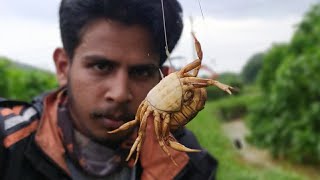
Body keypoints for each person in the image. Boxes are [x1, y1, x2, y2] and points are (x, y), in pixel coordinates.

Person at [0, 0, 218, 179]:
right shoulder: (10, 145)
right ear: (63, 67)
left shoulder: (187, 163)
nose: (120, 93)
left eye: (140, 72)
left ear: (162, 79)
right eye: (101, 67)